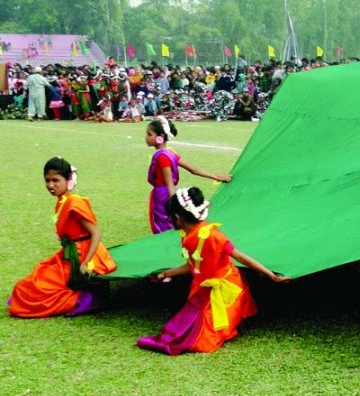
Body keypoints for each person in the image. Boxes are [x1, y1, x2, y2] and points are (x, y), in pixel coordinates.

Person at [137, 187, 288, 355]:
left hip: (224, 289)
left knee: (201, 341)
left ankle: (235, 320)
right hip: (202, 289)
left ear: (177, 218)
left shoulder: (212, 236)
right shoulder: (187, 235)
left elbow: (240, 256)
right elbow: (193, 265)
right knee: (180, 330)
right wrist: (165, 274)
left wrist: (270, 275)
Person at [8, 157, 116, 318]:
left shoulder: (74, 202)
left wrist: (85, 262)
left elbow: (96, 233)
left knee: (32, 287)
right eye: (47, 180)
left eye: (56, 180)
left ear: (68, 180)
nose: (51, 185)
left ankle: (84, 299)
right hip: (70, 253)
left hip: (83, 256)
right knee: (29, 282)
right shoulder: (62, 201)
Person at [146, 116, 232, 233]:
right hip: (165, 192)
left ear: (160, 138)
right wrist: (217, 177)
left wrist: (174, 204)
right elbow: (194, 170)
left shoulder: (162, 157)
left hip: (162, 195)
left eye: (149, 134)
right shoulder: (170, 153)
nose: (146, 137)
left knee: (163, 225)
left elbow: (169, 183)